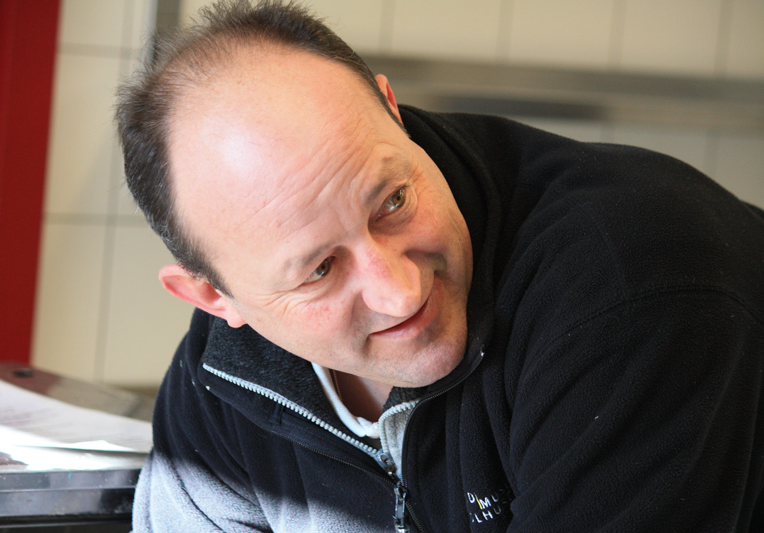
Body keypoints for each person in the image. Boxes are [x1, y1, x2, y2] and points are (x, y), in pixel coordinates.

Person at [115, 1, 764, 531]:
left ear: (391, 110)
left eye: (393, 202)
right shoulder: (223, 379)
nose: (400, 292)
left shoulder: (629, 288)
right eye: (320, 270)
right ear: (214, 298)